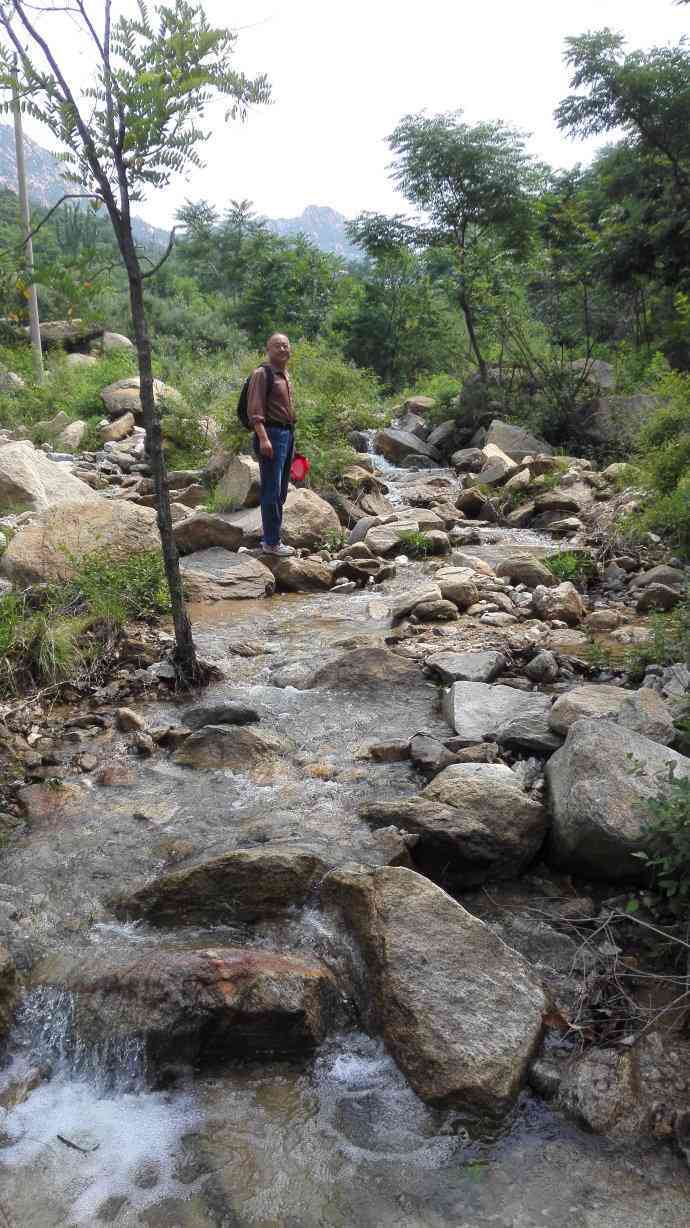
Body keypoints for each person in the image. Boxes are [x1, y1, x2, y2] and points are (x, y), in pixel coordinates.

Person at [247, 332, 297, 557]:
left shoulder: (285, 374)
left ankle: (273, 537)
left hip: (286, 434)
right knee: (271, 489)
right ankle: (271, 543)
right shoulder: (262, 373)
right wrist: (263, 438)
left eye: (286, 346)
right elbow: (255, 411)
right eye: (278, 346)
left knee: (281, 490)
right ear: (268, 349)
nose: (283, 349)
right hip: (271, 435)